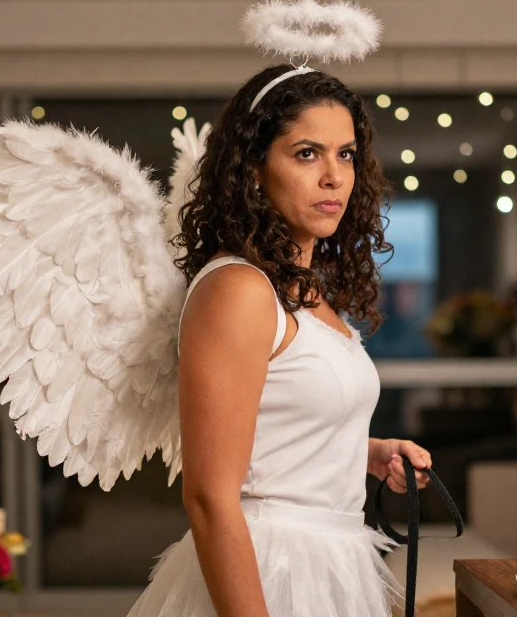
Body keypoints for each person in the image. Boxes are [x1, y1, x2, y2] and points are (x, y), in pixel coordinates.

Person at [126, 64, 435, 617]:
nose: (334, 177)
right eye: (307, 153)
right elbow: (209, 496)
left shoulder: (300, 288)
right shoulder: (239, 289)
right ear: (253, 170)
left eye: (346, 154)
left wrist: (366, 453)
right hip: (271, 572)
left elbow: (272, 433)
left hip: (331, 562)